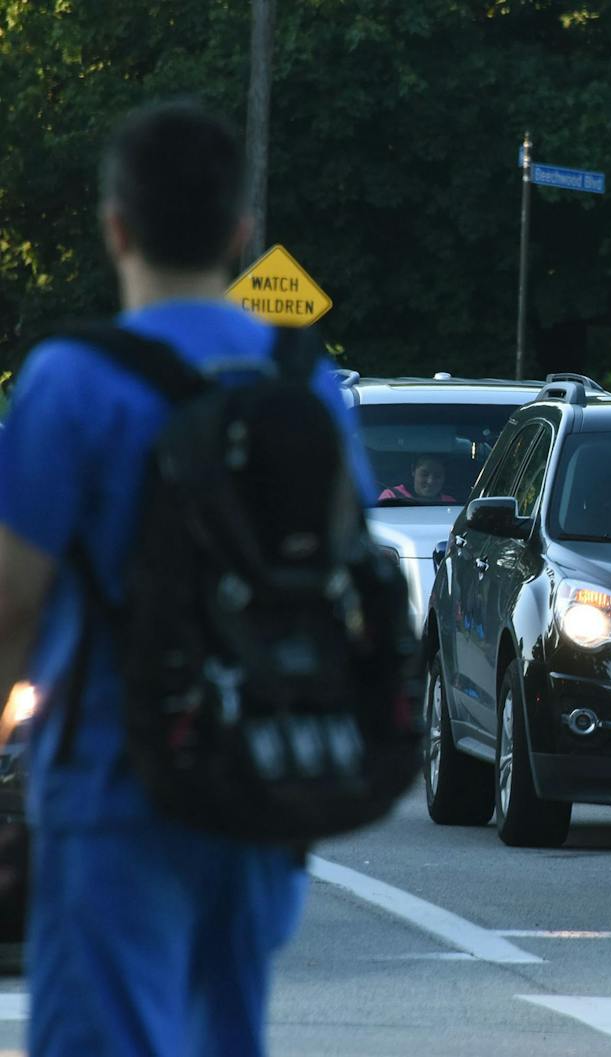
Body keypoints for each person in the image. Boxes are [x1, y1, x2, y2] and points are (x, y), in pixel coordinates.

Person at [0, 99, 374, 1057]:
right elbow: (344, 549)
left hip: (112, 779)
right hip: (258, 773)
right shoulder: (306, 379)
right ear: (240, 232)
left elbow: (12, 601)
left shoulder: (70, 381)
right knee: (223, 1032)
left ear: (114, 224)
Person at [378, 453, 457, 503]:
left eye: (437, 476)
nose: (430, 481)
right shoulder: (391, 497)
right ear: (413, 471)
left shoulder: (450, 503)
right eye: (424, 474)